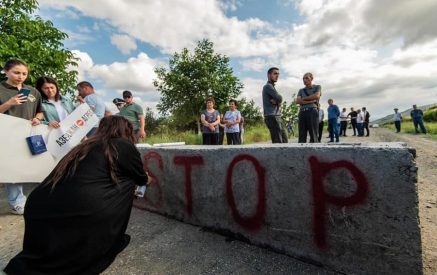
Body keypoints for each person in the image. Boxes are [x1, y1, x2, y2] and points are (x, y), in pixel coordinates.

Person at [4, 116, 150, 275]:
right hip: (79, 209)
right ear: (126, 130)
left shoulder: (82, 147)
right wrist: (148, 178)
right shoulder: (123, 145)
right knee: (129, 181)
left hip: (38, 206)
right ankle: (101, 240)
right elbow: (141, 178)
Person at [0, 59, 43, 215]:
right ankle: (17, 202)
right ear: (6, 71)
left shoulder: (33, 91)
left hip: (29, 134)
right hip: (6, 136)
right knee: (12, 168)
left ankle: (34, 198)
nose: (20, 76)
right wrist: (9, 103)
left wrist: (38, 118)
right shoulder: (1, 89)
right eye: (16, 72)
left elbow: (40, 110)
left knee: (33, 165)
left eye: (24, 73)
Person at [262, 67, 288, 143]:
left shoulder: (272, 87)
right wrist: (278, 101)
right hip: (272, 116)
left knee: (284, 141)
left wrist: (277, 102)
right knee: (278, 142)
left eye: (278, 74)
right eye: (275, 73)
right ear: (269, 75)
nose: (277, 76)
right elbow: (279, 98)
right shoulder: (268, 86)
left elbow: (279, 100)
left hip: (276, 116)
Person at [296, 72, 321, 143]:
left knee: (313, 134)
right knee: (301, 135)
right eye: (303, 78)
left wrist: (303, 99)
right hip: (302, 112)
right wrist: (310, 101)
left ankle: (314, 153)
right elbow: (298, 101)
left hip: (312, 111)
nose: (304, 80)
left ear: (311, 78)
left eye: (306, 78)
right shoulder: (301, 90)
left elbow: (316, 96)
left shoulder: (317, 87)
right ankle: (301, 153)